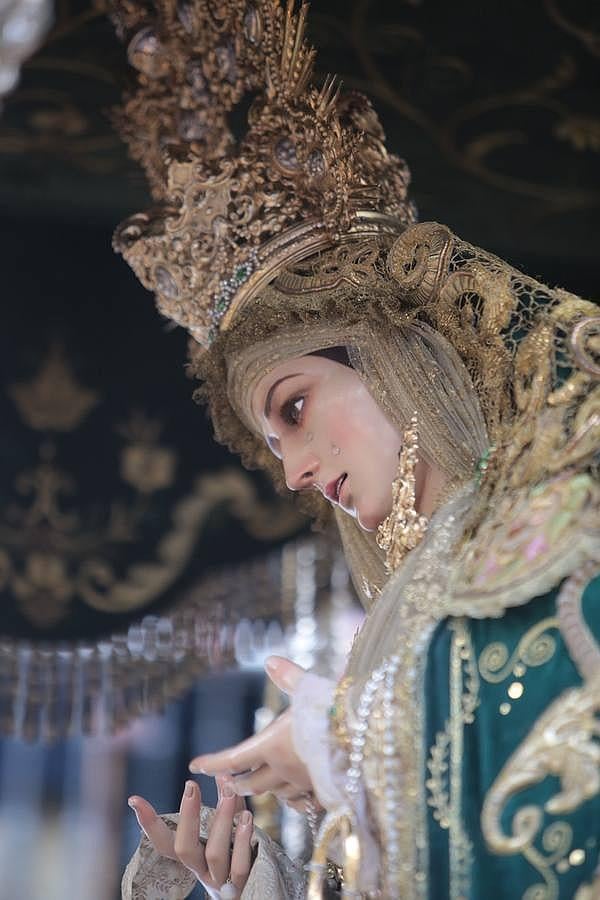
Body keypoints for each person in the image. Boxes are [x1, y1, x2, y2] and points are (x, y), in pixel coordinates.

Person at [112, 1, 600, 897]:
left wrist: (345, 750)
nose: (295, 472)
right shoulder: (407, 609)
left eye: (295, 407)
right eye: (273, 448)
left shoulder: (572, 500)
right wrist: (258, 880)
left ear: (392, 351)